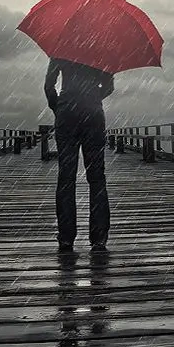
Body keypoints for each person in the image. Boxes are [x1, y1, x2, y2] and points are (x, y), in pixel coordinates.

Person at [45, 57, 113, 252]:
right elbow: (109, 87)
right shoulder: (102, 52)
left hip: (67, 113)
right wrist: (92, 97)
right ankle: (99, 238)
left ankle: (66, 237)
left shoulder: (60, 50)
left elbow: (49, 86)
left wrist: (59, 106)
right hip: (93, 114)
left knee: (66, 177)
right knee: (97, 178)